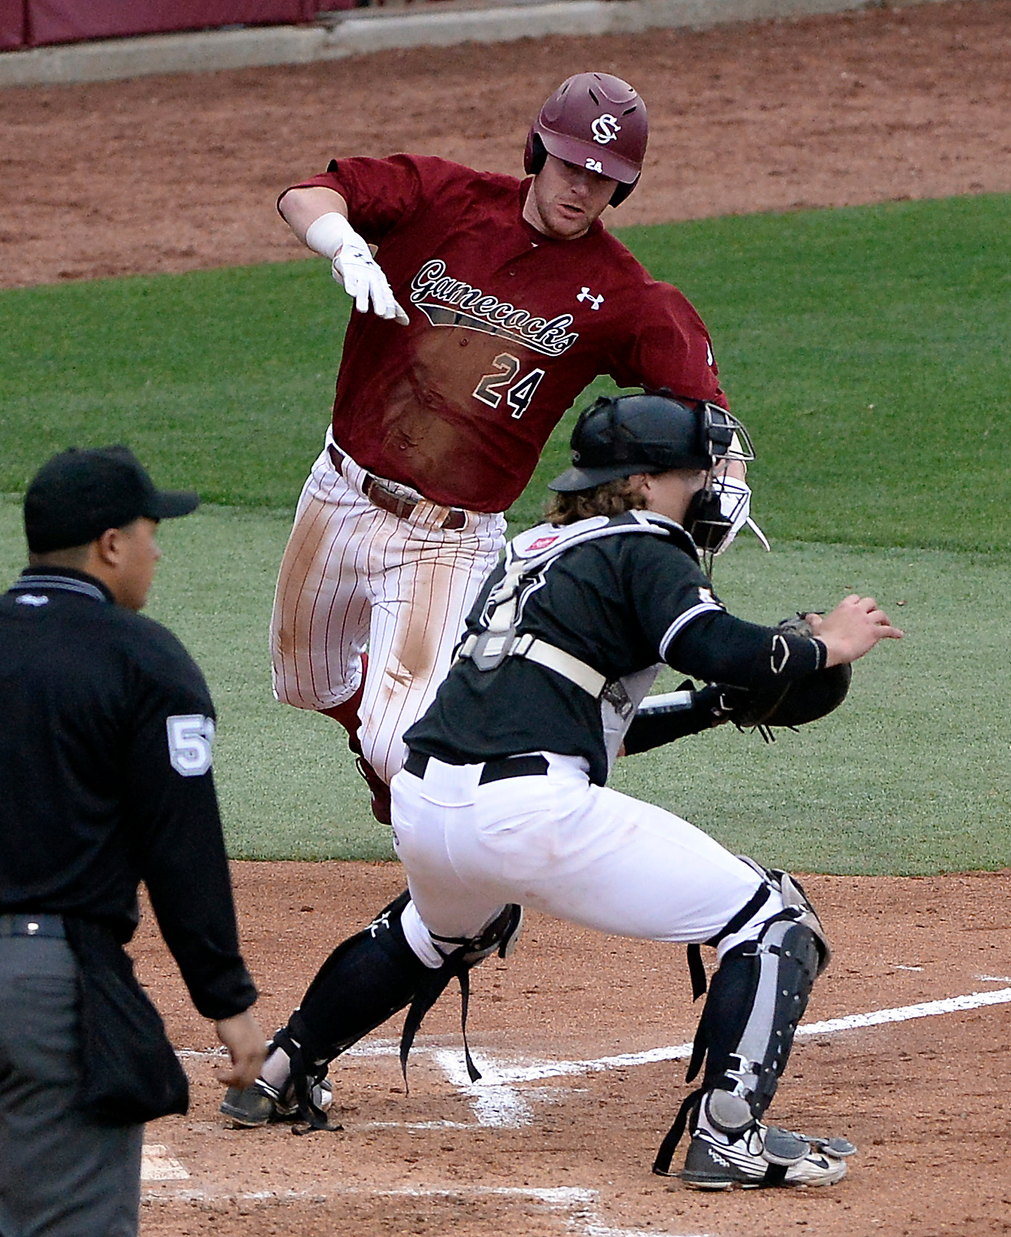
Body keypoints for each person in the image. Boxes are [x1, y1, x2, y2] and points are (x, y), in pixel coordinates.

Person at [225, 394, 902, 1189]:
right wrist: (825, 644)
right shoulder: (647, 544)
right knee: (773, 916)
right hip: (524, 813)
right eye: (695, 471)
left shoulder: (534, 551)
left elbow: (587, 717)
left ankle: (281, 1068)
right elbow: (715, 643)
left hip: (429, 803)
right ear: (644, 483)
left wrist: (713, 706)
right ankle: (729, 1134)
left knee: (433, 932)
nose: (709, 484)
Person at [270, 71, 754, 827]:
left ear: (623, 188)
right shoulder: (442, 197)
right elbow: (306, 195)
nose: (582, 188)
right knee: (304, 681)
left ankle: (437, 812)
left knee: (402, 747)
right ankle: (425, 739)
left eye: (603, 178)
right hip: (337, 490)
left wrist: (726, 477)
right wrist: (343, 246)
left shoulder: (621, 293)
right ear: (537, 151)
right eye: (570, 165)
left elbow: (706, 409)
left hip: (445, 538)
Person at [0, 445, 268, 1237]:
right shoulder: (146, 660)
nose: (158, 551)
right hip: (48, 996)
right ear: (110, 544)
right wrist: (227, 998)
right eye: (150, 532)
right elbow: (181, 845)